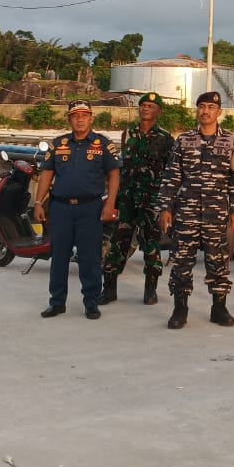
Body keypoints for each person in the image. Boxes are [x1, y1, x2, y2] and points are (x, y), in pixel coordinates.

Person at [156, 91, 234, 329]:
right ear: (197, 110)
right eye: (201, 107)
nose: (205, 111)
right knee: (182, 259)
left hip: (217, 213)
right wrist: (165, 207)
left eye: (210, 107)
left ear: (219, 112)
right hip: (186, 211)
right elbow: (172, 176)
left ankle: (219, 307)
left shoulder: (231, 141)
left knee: (218, 260)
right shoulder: (183, 140)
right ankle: (180, 308)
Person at [33, 101, 121, 320]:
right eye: (75, 116)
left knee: (89, 257)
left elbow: (114, 174)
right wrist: (38, 202)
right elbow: (46, 174)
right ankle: (57, 302)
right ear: (69, 119)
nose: (80, 119)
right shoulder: (57, 144)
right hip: (61, 208)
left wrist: (110, 203)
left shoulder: (103, 145)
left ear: (91, 118)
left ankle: (91, 303)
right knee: (59, 256)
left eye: (84, 115)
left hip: (90, 208)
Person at [102, 91, 173, 306]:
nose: (145, 109)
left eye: (150, 107)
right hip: (128, 198)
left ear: (158, 112)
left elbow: (171, 171)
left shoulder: (166, 138)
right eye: (142, 106)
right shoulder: (128, 133)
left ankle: (150, 289)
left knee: (151, 244)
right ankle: (110, 288)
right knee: (118, 242)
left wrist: (167, 203)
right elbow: (122, 164)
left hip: (151, 199)